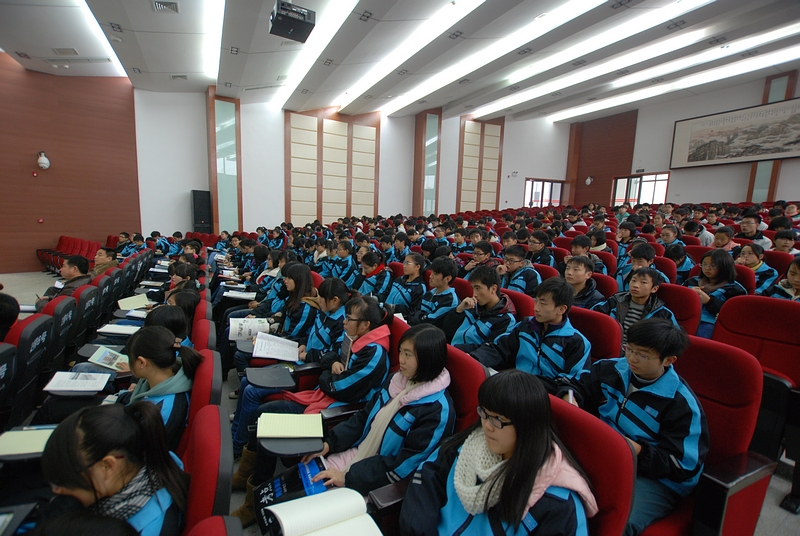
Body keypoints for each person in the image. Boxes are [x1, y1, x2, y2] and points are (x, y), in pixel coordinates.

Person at [231, 298, 395, 525]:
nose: (344, 322)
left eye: (349, 318)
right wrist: (331, 366)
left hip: (337, 411)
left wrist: (326, 375)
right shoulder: (355, 337)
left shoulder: (374, 353)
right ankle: (244, 477)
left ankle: (253, 502)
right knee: (263, 415)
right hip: (323, 396)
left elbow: (341, 388)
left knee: (268, 421)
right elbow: (331, 356)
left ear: (366, 324)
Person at [556, 319, 708, 536]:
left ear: (668, 360)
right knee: (555, 494)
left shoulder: (681, 404)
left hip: (654, 478)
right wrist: (570, 399)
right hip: (608, 453)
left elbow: (683, 465)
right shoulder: (612, 369)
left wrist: (636, 450)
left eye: (643, 355)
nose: (632, 358)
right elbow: (573, 384)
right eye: (630, 349)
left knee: (617, 523)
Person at [400, 370, 597, 536]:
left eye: (497, 419)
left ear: (527, 426)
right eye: (484, 413)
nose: (486, 426)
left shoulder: (557, 503)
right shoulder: (470, 444)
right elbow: (427, 478)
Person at [40, 401, 188, 536]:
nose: (56, 490)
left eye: (63, 479)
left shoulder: (142, 530)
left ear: (108, 466)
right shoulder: (154, 463)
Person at [470, 278, 590, 379]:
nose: (536, 308)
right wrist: (473, 359)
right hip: (516, 384)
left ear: (561, 309)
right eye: (536, 301)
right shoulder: (526, 326)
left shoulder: (576, 342)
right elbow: (500, 348)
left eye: (543, 304)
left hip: (544, 393)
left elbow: (572, 383)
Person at [592, 268, 677, 348]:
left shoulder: (663, 314)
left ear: (654, 289)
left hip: (641, 353)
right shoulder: (615, 301)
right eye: (633, 280)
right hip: (611, 347)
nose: (635, 285)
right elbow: (593, 318)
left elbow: (673, 340)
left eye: (643, 282)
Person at [443, 265, 517, 352]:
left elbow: (489, 350)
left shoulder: (506, 319)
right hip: (451, 349)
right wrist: (458, 310)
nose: (474, 294)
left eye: (478, 288)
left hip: (466, 356)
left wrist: (456, 349)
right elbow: (447, 330)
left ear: (493, 289)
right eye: (473, 288)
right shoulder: (472, 306)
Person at [683, 249, 746, 338]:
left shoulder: (735, 289)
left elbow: (733, 314)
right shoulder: (692, 281)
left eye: (713, 266)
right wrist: (689, 295)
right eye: (704, 264)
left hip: (710, 322)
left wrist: (709, 301)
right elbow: (678, 300)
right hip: (686, 316)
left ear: (724, 267)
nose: (707, 268)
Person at [408, 257, 460, 328]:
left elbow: (429, 321)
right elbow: (416, 311)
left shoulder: (450, 300)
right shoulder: (430, 293)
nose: (430, 276)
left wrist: (418, 316)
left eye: (435, 274)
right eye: (431, 272)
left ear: (447, 278)